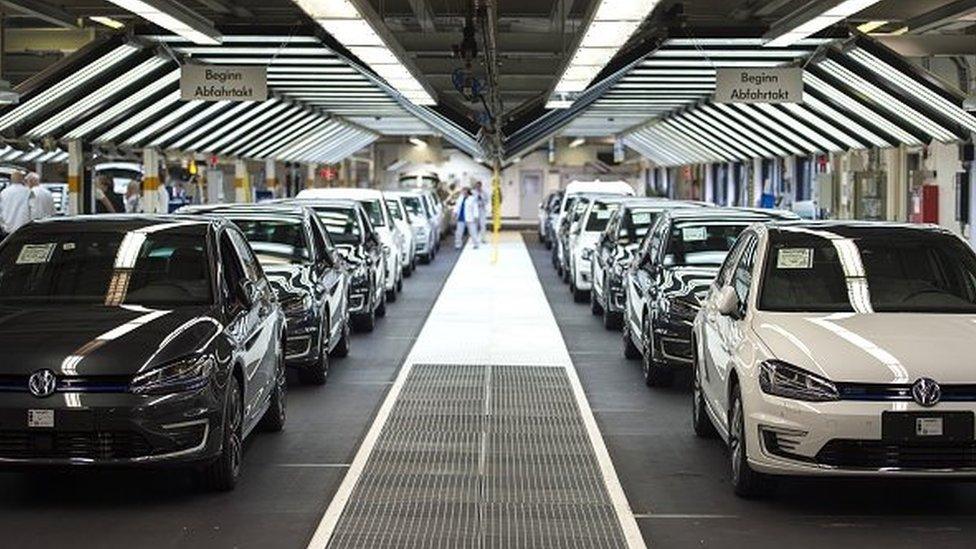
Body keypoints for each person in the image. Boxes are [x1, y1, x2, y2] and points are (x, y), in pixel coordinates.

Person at [0, 171, 31, 237]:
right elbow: (34, 210)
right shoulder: (28, 191)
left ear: (11, 180)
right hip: (24, 228)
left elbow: (1, 211)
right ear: (22, 179)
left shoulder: (4, 192)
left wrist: (3, 225)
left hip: (8, 229)